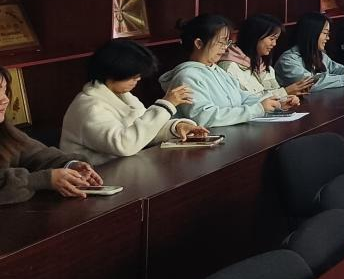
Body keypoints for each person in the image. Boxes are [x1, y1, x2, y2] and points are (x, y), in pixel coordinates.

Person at [60, 40, 207, 165]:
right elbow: (124, 144)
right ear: (112, 72)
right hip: (95, 179)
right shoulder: (89, 107)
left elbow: (145, 131)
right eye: (133, 76)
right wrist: (166, 105)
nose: (138, 79)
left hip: (123, 170)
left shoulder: (123, 96)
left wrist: (176, 127)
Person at [1, 65, 104, 203]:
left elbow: (37, 154)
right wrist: (45, 179)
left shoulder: (5, 130)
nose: (5, 99)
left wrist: (70, 165)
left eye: (4, 90)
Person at [159, 15, 284, 127]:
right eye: (220, 42)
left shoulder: (217, 70)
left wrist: (275, 102)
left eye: (227, 42)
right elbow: (203, 117)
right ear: (199, 43)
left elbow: (242, 97)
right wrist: (257, 109)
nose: (225, 48)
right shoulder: (187, 77)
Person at [219, 14, 313, 101]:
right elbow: (246, 102)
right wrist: (285, 92)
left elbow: (273, 95)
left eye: (276, 39)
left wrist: (288, 99)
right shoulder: (229, 67)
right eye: (271, 39)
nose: (274, 44)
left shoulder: (264, 65)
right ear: (254, 37)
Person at [276, 13, 344, 92]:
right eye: (325, 33)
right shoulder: (288, 60)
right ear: (312, 33)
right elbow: (310, 83)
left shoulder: (318, 54)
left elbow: (336, 69)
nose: (328, 38)